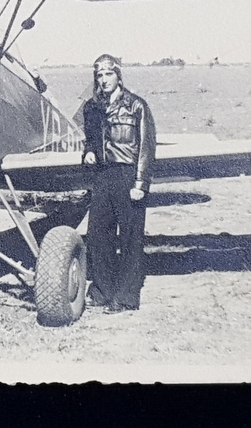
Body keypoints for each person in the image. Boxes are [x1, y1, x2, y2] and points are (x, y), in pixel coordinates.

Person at [82, 54, 156, 314]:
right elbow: (90, 140)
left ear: (118, 75)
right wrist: (88, 152)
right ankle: (102, 291)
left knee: (130, 238)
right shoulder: (92, 108)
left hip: (128, 176)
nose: (103, 80)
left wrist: (140, 183)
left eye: (108, 74)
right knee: (97, 236)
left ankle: (126, 297)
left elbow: (146, 147)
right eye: (99, 76)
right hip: (103, 176)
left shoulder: (137, 106)